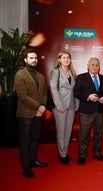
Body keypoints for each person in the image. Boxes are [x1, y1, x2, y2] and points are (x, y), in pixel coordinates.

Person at [14, 49, 48, 178]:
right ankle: (26, 166)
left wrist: (43, 106)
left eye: (35, 58)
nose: (34, 60)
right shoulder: (20, 75)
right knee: (25, 141)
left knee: (35, 139)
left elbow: (44, 93)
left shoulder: (41, 76)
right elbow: (22, 96)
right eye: (31, 58)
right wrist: (38, 106)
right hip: (25, 114)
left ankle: (33, 160)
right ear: (25, 60)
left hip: (38, 114)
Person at [74, 57, 103, 165]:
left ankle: (97, 153)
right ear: (88, 66)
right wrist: (88, 97)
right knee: (84, 135)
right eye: (92, 64)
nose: (95, 67)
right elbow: (76, 92)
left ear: (99, 67)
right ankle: (82, 155)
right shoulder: (80, 78)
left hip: (100, 111)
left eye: (97, 65)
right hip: (86, 111)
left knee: (99, 134)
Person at [49, 50, 76, 165]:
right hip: (60, 106)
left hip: (71, 106)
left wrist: (76, 105)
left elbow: (74, 90)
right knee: (61, 131)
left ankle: (65, 152)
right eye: (64, 57)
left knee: (68, 131)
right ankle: (62, 154)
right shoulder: (55, 72)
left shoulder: (72, 72)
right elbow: (53, 88)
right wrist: (59, 106)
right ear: (59, 59)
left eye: (68, 58)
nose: (66, 59)